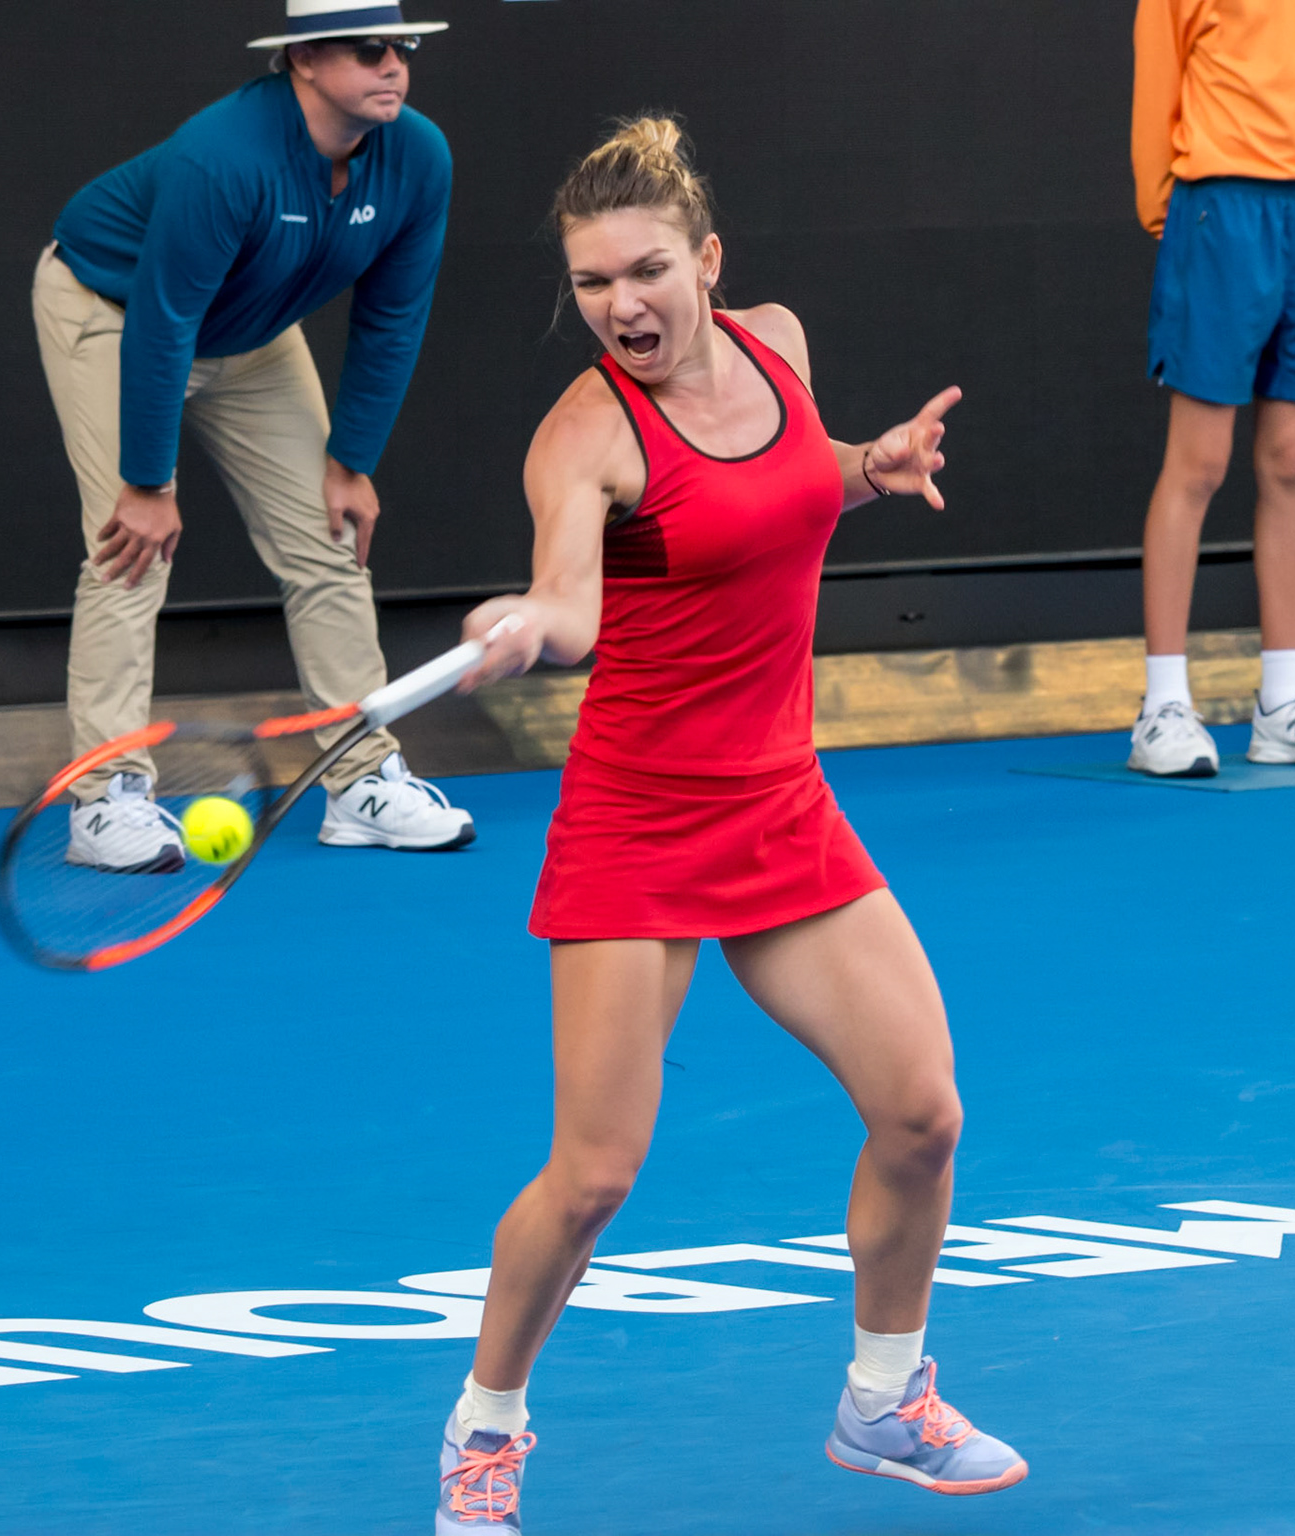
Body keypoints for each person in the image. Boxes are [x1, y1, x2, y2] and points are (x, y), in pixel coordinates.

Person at [433, 119, 1028, 1532]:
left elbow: (788, 476)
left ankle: (885, 1401)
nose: (621, 307)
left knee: (923, 1113)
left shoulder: (776, 344)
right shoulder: (581, 434)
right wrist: (531, 628)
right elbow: (573, 599)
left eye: (645, 272)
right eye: (590, 286)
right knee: (591, 1179)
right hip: (637, 823)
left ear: (709, 261)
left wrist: (865, 468)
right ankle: (485, 1429)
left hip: (778, 802)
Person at [35, 0, 472, 872]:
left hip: (251, 332)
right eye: (368, 48)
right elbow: (165, 317)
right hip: (114, 311)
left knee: (330, 537)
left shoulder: (419, 156)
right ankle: (105, 799)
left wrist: (352, 462)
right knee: (128, 546)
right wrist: (149, 484)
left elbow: (394, 315)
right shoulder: (222, 154)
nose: (394, 64)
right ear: (305, 60)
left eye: (405, 47)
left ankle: (361, 782)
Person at [1126, 0, 1295, 777]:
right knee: (1199, 461)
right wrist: (1159, 205)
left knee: (1293, 458)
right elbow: (1158, 71)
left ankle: (1282, 704)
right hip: (1219, 204)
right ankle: (1162, 708)